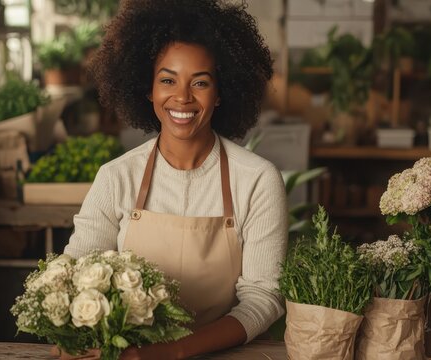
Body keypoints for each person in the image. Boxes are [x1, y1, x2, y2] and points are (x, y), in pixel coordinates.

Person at [59, 0, 288, 358]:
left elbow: (263, 298)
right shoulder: (116, 177)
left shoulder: (257, 179)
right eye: (167, 80)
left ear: (221, 93)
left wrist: (172, 352)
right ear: (147, 89)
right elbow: (74, 271)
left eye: (200, 82)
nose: (182, 97)